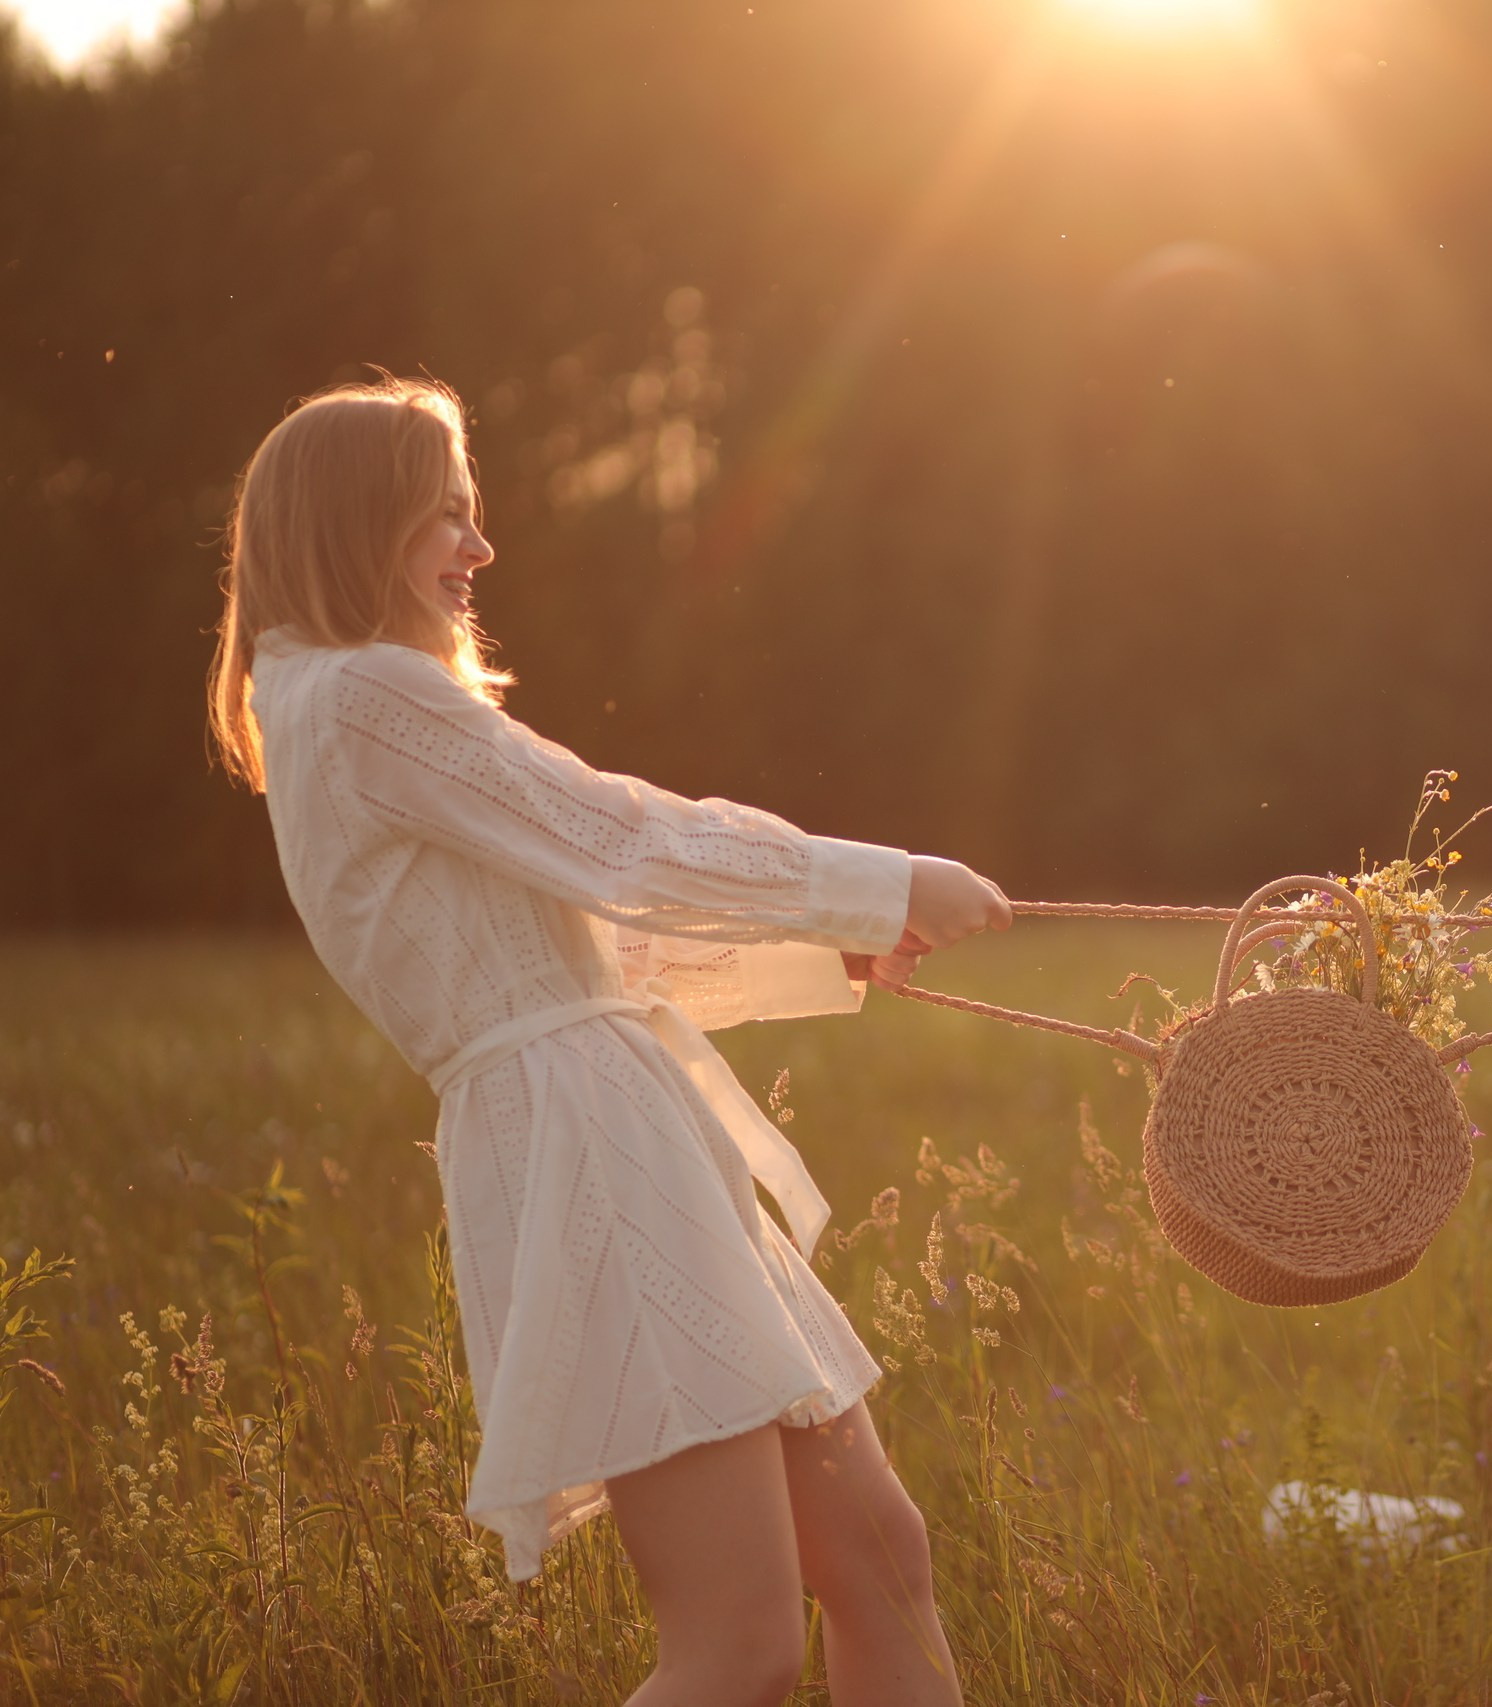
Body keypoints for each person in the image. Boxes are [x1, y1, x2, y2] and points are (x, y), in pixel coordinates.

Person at [208, 374, 1004, 1707]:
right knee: (736, 1647)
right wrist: (886, 878)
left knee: (882, 1567)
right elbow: (616, 836)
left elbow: (580, 938)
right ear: (356, 526)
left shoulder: (345, 706)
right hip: (587, 1153)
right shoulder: (361, 697)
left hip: (618, 1124)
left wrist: (828, 946)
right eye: (446, 517)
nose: (480, 549)